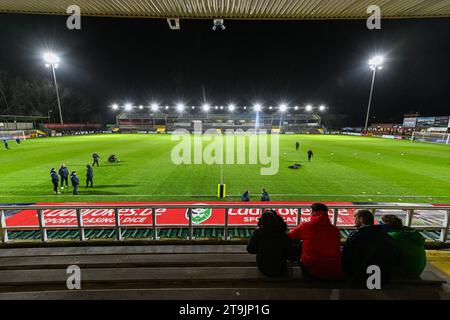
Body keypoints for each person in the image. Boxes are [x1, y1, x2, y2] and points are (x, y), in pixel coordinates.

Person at [342, 209, 401, 285]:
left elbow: (347, 257)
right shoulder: (386, 235)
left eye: (355, 217)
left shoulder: (357, 236)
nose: (354, 220)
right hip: (383, 278)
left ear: (361, 219)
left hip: (361, 278)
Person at [288, 203, 342, 279]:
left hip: (314, 270)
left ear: (313, 212)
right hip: (334, 269)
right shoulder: (335, 229)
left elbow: (290, 236)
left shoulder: (306, 226)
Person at [247, 210, 296, 277]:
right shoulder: (283, 234)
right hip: (281, 269)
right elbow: (291, 256)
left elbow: (251, 250)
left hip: (264, 269)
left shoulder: (258, 233)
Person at [381, 215, 426, 279]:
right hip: (417, 271)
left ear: (387, 225)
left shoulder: (394, 236)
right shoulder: (411, 233)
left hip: (405, 272)